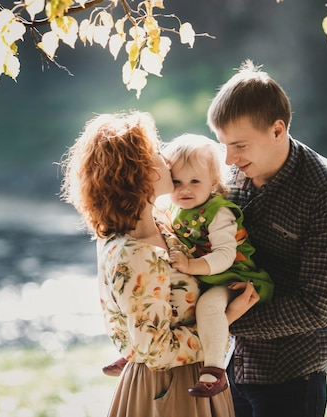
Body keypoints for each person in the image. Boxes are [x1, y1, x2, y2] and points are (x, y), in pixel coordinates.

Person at [60, 111, 260, 417]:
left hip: (193, 381)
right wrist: (227, 319)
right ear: (138, 172)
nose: (165, 158)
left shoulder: (162, 222)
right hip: (168, 392)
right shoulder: (133, 252)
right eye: (155, 152)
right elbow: (154, 349)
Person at [207, 60, 327, 416]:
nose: (228, 158)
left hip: (290, 377)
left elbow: (317, 306)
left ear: (277, 130)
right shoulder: (227, 175)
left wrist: (220, 320)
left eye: (240, 145)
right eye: (223, 144)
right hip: (226, 367)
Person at [103, 133, 275, 397]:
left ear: (214, 182)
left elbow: (225, 255)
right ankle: (133, 351)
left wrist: (190, 266)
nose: (184, 189)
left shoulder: (219, 212)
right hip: (201, 282)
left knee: (208, 306)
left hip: (231, 275)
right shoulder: (166, 213)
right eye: (177, 181)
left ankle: (216, 369)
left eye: (195, 181)